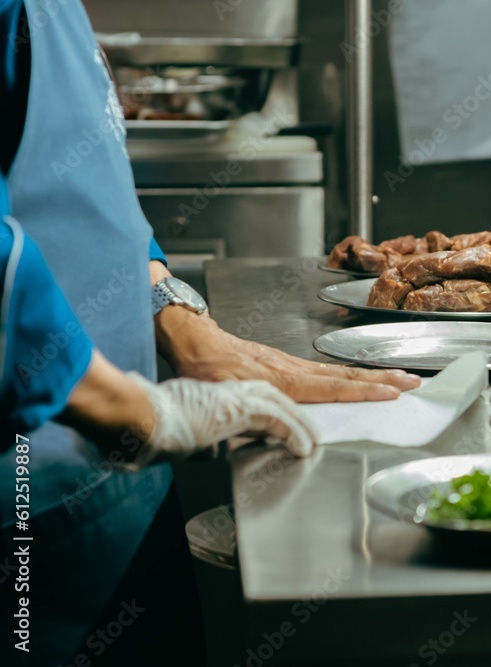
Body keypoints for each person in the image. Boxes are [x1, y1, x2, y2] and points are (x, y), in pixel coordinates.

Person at [0, 0, 421, 664]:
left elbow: (71, 179)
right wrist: (132, 408)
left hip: (125, 487)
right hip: (31, 502)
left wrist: (176, 315)